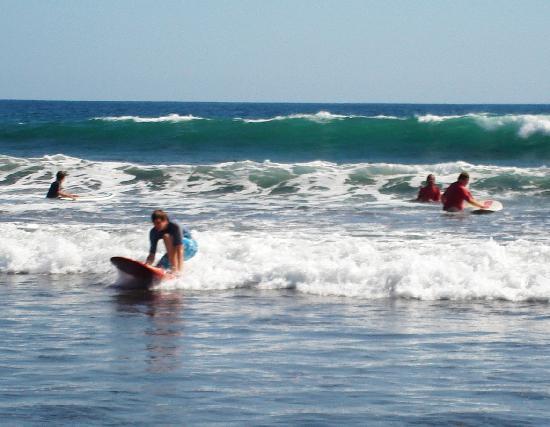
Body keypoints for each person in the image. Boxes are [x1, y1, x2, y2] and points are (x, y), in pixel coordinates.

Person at [145, 210, 198, 274]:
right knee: (160, 267)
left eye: (158, 223)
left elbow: (180, 250)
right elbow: (152, 254)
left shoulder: (174, 226)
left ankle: (175, 270)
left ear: (165, 221)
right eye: (154, 223)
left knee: (166, 236)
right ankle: (173, 270)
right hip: (174, 251)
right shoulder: (153, 232)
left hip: (190, 247)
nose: (157, 226)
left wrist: (179, 272)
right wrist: (146, 266)